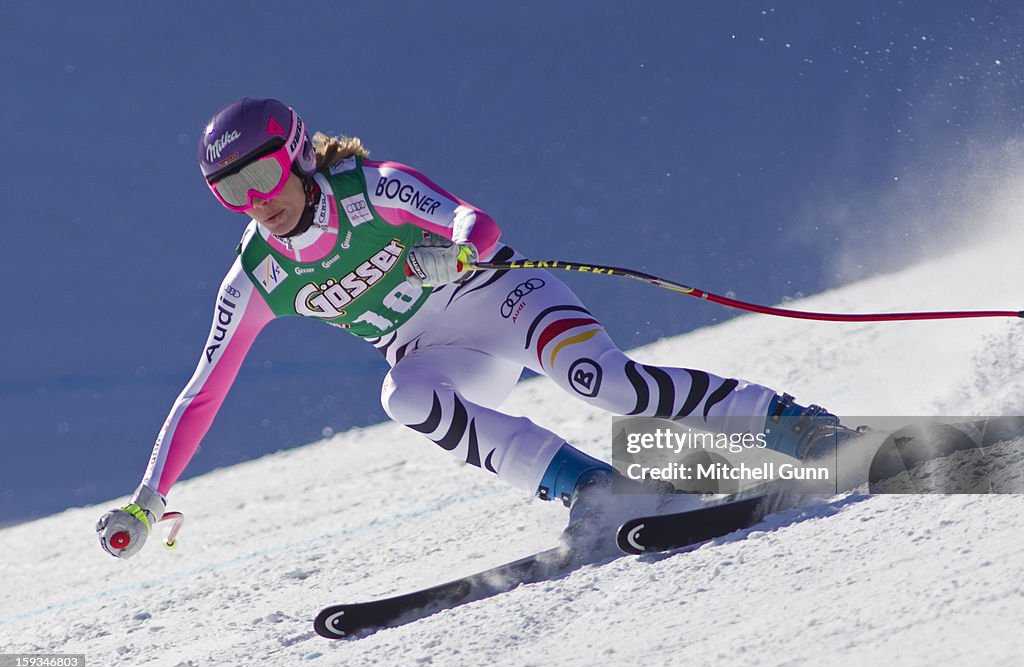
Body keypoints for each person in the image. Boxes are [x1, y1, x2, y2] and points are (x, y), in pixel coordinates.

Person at [96, 97, 851, 560]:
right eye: (231, 190)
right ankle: (592, 488)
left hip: (504, 302)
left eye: (260, 176)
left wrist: (460, 250)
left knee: (608, 385)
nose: (255, 201)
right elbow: (205, 389)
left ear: (295, 155)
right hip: (441, 354)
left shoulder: (370, 188)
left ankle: (793, 425)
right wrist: (148, 497)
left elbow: (472, 220)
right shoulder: (257, 274)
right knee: (403, 396)